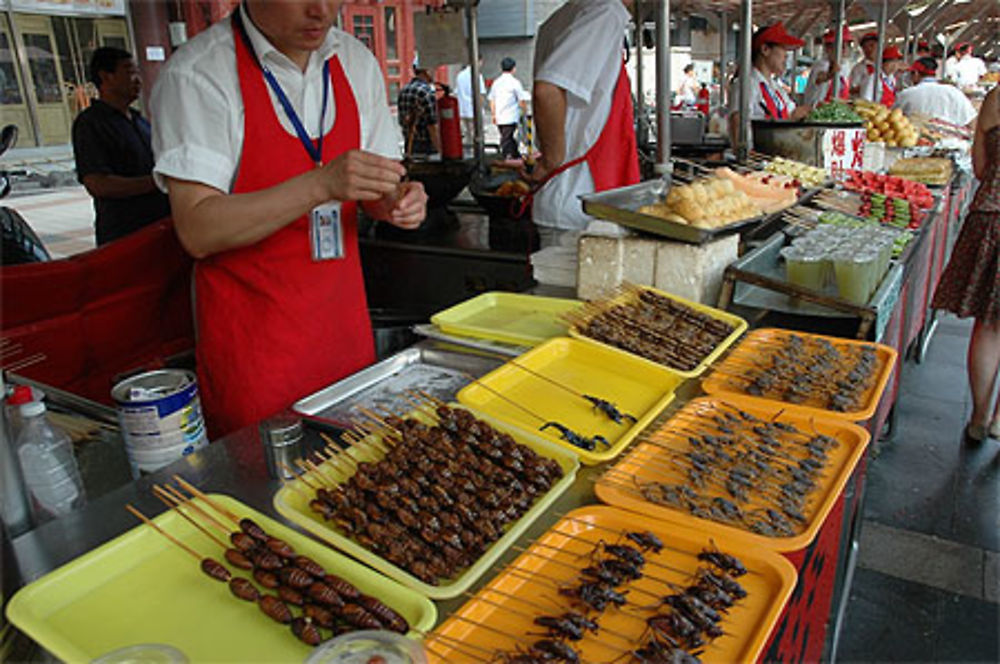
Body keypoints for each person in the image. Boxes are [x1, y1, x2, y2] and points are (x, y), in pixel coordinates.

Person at [150, 0, 428, 437]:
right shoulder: (198, 74)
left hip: (344, 337)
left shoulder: (354, 61)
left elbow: (376, 187)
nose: (320, 11)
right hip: (257, 357)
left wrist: (396, 200)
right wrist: (321, 184)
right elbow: (197, 229)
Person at [525, 0, 639, 233]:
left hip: (572, 201)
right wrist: (551, 160)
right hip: (581, 205)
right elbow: (548, 89)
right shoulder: (605, 12)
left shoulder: (560, 18)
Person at [930, 85, 999, 442]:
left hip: (991, 216)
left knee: (987, 326)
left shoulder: (996, 98)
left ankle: (979, 417)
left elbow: (980, 167)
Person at [71, 47, 169, 246]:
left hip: (158, 228)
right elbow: (98, 184)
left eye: (138, 73)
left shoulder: (139, 121)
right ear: (106, 77)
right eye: (129, 72)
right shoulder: (90, 124)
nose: (138, 80)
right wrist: (156, 182)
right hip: (124, 235)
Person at [728, 22, 812, 140]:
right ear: (765, 49)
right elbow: (737, 123)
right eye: (783, 49)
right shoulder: (747, 84)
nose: (786, 56)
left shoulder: (775, 88)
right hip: (757, 154)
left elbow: (791, 113)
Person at [894, 57, 977, 127]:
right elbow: (972, 121)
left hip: (915, 141)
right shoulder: (954, 92)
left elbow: (893, 118)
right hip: (953, 143)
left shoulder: (906, 94)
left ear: (916, 74)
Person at [488, 57, 529, 160]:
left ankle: (515, 154)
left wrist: (493, 114)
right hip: (511, 116)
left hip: (499, 115)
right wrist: (525, 111)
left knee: (507, 136)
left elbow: (492, 99)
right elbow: (521, 100)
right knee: (506, 138)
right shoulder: (515, 82)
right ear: (513, 69)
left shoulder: (496, 82)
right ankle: (507, 156)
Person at [803, 27, 852, 107]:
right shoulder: (821, 65)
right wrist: (830, 74)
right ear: (828, 48)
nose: (844, 50)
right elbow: (820, 77)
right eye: (842, 46)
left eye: (846, 45)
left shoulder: (845, 65)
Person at [397, 65, 440, 156]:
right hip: (426, 146)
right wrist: (439, 149)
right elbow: (432, 126)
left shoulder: (404, 90)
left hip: (409, 144)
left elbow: (402, 120)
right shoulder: (426, 92)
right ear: (427, 71)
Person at [455, 56, 486, 144]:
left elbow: (456, 92)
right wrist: (480, 110)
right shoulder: (477, 75)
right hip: (474, 111)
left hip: (462, 111)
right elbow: (480, 94)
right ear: (479, 61)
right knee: (477, 136)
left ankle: (468, 153)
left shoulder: (460, 75)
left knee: (466, 136)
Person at [848, 32, 879, 98]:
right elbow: (852, 89)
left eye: (872, 45)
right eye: (865, 47)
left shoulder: (884, 66)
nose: (869, 49)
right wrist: (868, 86)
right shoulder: (858, 68)